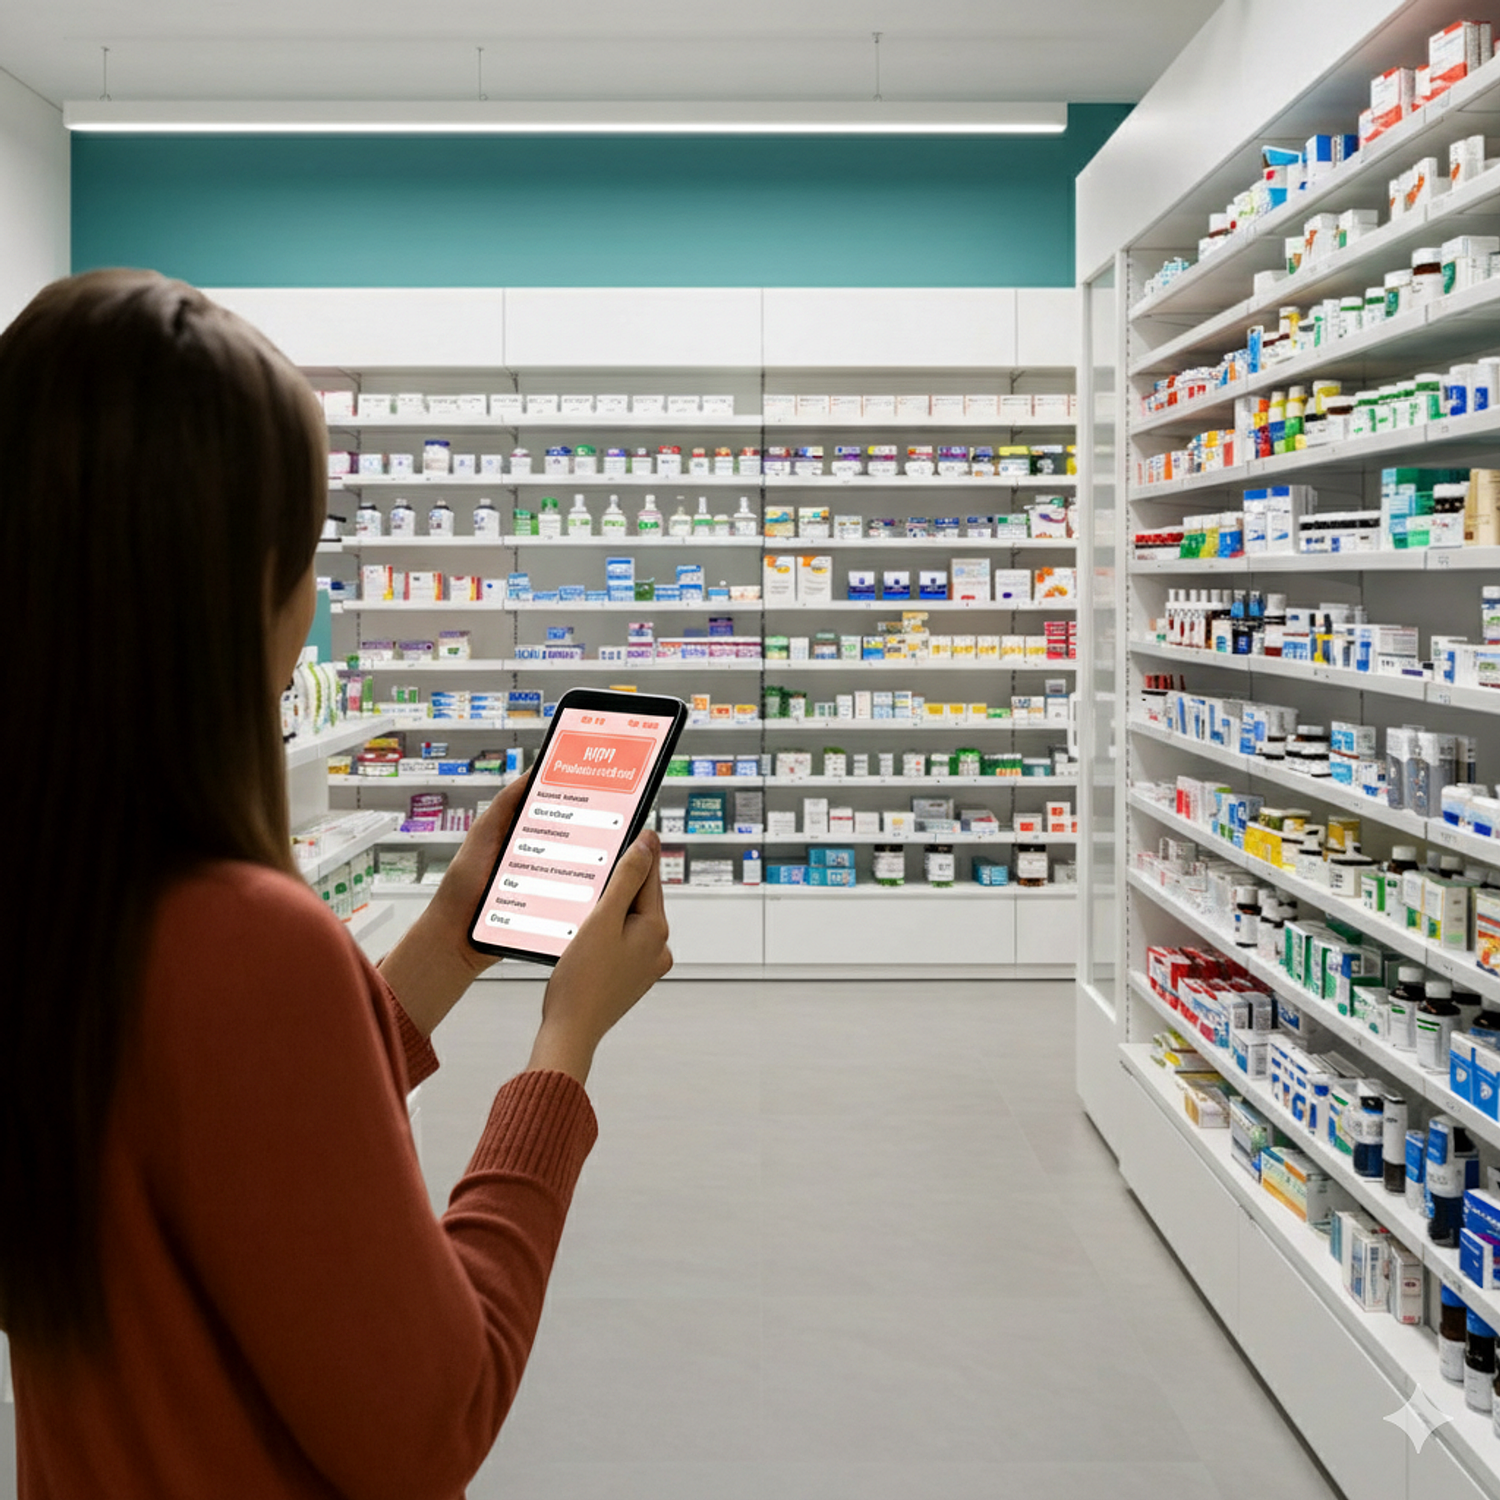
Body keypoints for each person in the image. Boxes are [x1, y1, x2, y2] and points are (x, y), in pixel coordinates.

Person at [0, 269, 673, 1499]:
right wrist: (564, 1043)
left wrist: (455, 935)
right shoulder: (243, 938)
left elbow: (220, 1109)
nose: (311, 603)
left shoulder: (61, 892)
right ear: (228, 591)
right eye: (301, 553)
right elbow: (433, 1425)